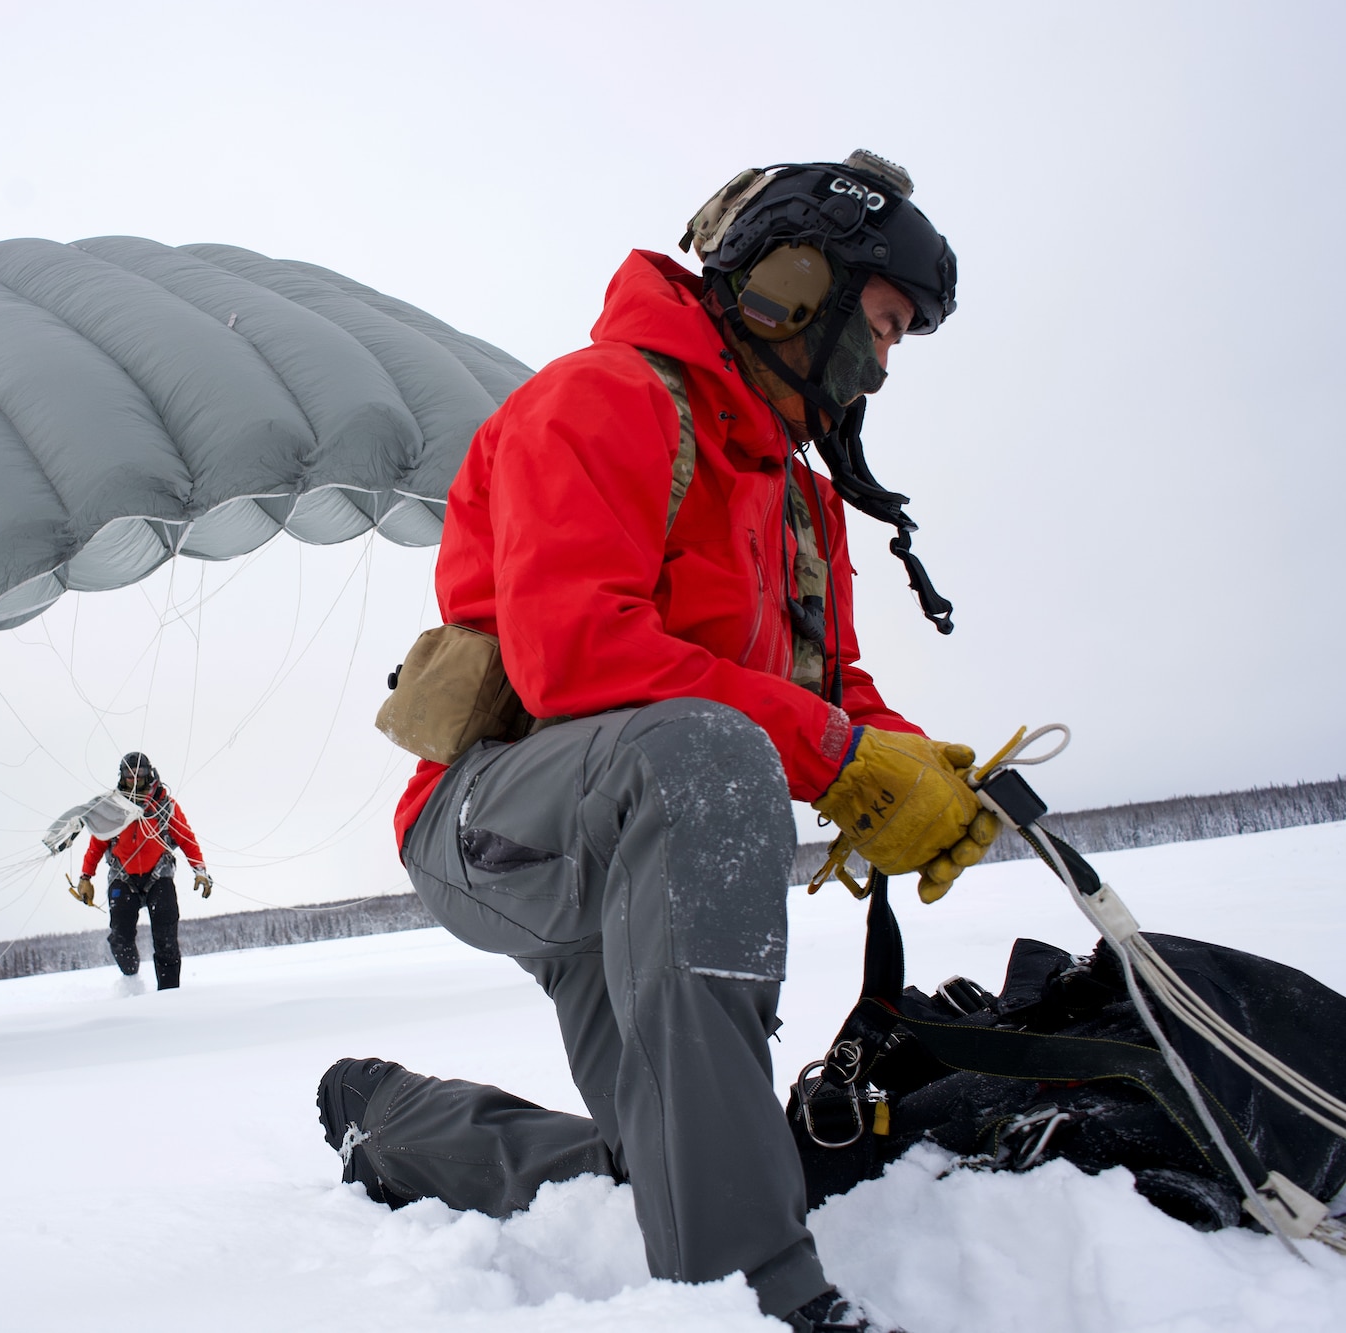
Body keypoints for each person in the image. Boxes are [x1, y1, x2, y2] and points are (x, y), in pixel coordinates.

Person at [319, 153, 998, 1333]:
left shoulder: (795, 495)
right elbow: (574, 653)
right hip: (495, 820)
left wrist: (919, 768)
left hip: (646, 833)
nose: (880, 364)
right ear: (794, 285)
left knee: (674, 1162)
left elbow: (827, 685)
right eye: (879, 326)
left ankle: (393, 1121)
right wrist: (837, 760)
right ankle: (759, 1296)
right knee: (706, 751)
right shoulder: (596, 402)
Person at [72, 752, 213, 991]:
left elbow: (187, 838)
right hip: (123, 878)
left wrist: (199, 869)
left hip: (158, 875)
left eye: (140, 774)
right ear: (122, 776)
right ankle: (131, 978)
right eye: (129, 774)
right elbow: (96, 845)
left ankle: (169, 994)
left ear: (149, 773)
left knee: (166, 938)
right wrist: (86, 877)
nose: (134, 779)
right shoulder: (112, 807)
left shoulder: (164, 805)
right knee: (120, 937)